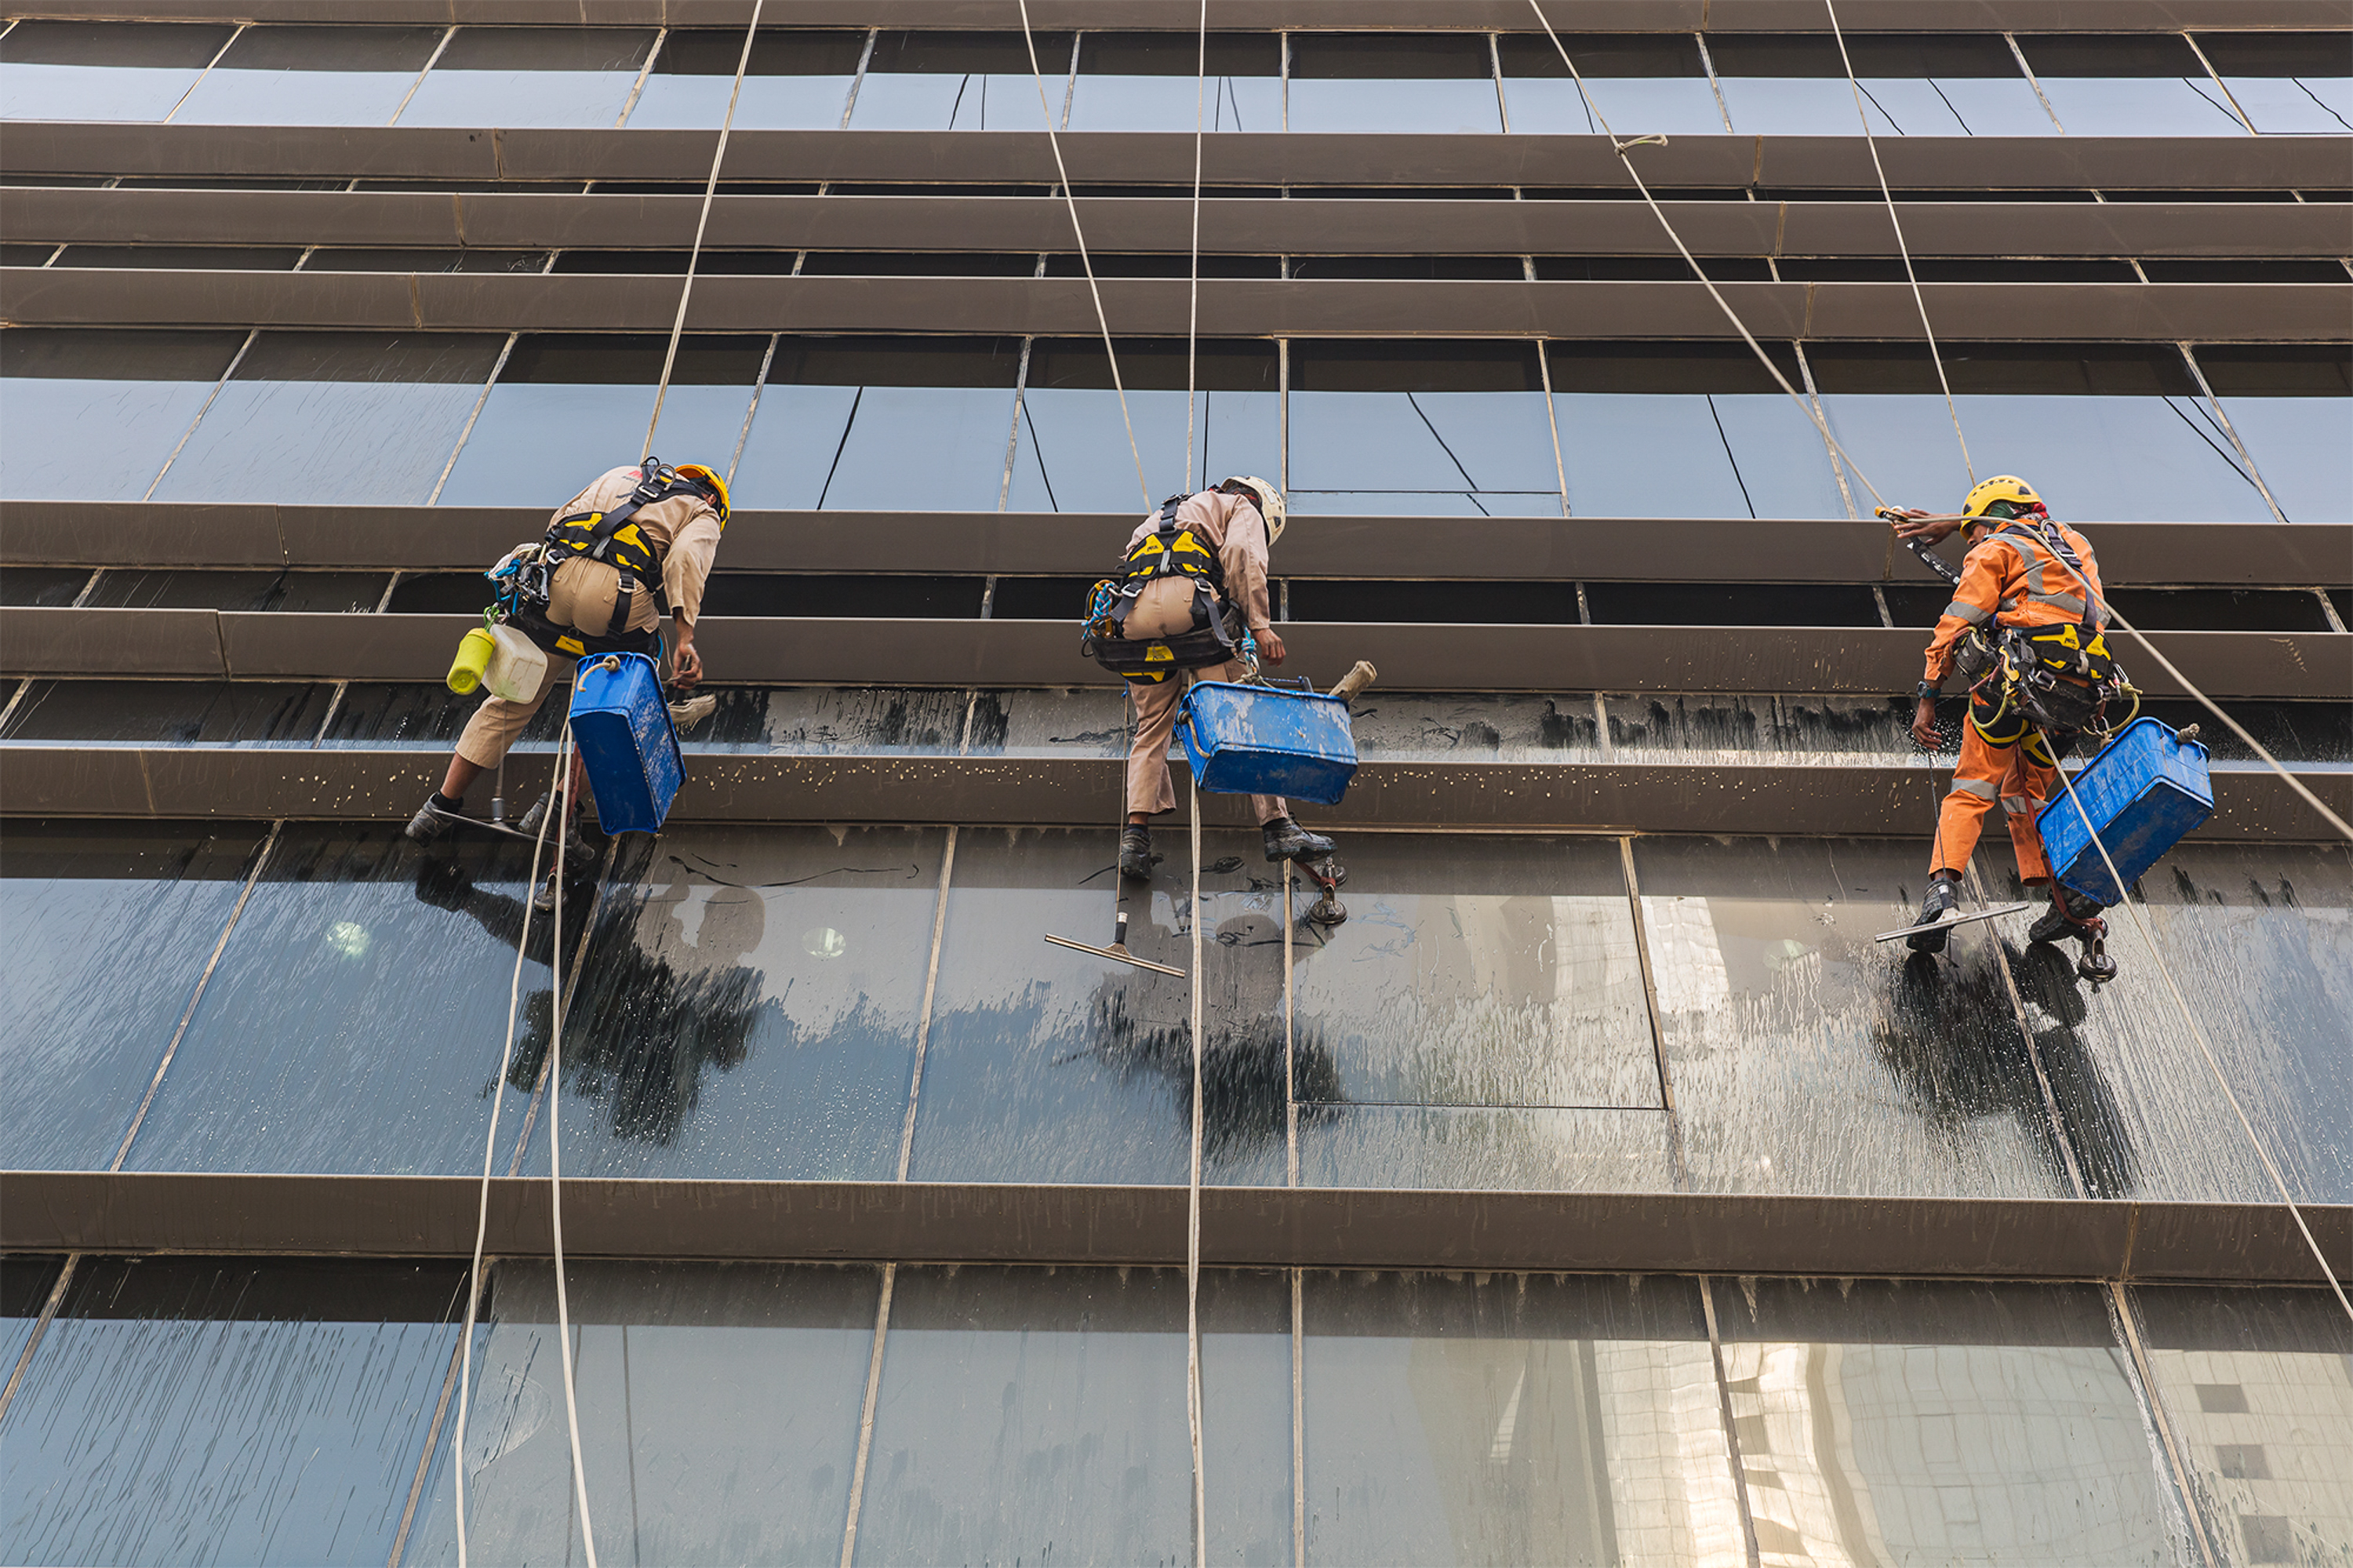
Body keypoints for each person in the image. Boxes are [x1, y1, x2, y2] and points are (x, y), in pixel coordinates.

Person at [406, 458, 728, 868]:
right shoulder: (702, 510)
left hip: (551, 584)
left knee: (513, 696)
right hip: (614, 600)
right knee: (618, 704)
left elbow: (563, 518)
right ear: (714, 495)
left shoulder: (623, 473)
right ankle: (559, 808)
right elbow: (684, 559)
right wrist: (685, 637)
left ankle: (439, 808)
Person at [1890, 475, 2120, 957]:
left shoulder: (1995, 548)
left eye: (1972, 533)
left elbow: (1957, 621)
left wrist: (1929, 694)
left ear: (1991, 516)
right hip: (2072, 698)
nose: (1971, 542)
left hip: (2010, 688)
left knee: (1973, 787)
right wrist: (1956, 523)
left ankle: (1942, 893)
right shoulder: (2077, 545)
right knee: (2028, 792)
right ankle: (2064, 899)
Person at [1105, 476, 1335, 881]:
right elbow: (1243, 553)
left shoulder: (1160, 515)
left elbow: (1128, 566)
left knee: (1151, 727)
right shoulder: (1238, 506)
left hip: (1135, 619)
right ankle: (1277, 826)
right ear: (1260, 504)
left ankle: (1135, 839)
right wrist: (1260, 626)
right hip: (1193, 612)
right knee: (1242, 713)